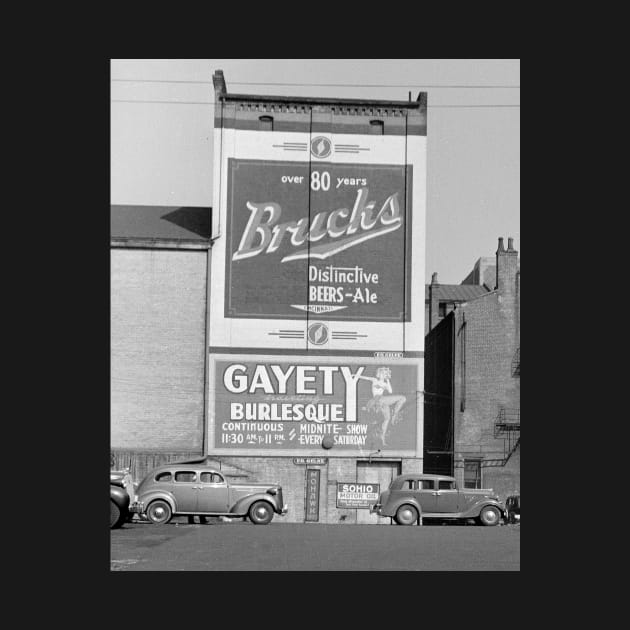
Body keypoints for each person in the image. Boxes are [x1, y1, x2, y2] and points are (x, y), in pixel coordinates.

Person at [359, 367, 406, 446]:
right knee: (386, 417)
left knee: (388, 418)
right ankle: (383, 436)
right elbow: (365, 378)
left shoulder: (385, 383)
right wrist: (356, 375)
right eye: (382, 374)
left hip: (383, 401)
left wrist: (387, 380)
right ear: (379, 374)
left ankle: (383, 438)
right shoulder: (374, 380)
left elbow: (390, 391)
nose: (383, 375)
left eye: (385, 374)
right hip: (376, 400)